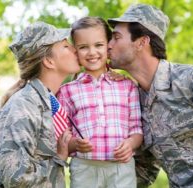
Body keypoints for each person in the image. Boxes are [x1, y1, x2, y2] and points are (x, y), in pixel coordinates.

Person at [107, 3, 193, 188]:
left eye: (116, 37)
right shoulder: (133, 103)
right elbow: (144, 170)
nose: (108, 45)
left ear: (142, 42)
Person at [0, 22, 80, 188]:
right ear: (49, 61)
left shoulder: (46, 100)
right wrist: (58, 158)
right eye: (66, 46)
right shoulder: (23, 106)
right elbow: (17, 180)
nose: (76, 49)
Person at [56, 17, 143, 188]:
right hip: (84, 168)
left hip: (121, 167)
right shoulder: (67, 91)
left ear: (108, 46)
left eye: (98, 45)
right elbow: (62, 135)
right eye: (83, 47)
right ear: (75, 52)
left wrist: (130, 144)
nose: (91, 52)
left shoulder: (127, 86)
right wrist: (75, 143)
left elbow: (137, 130)